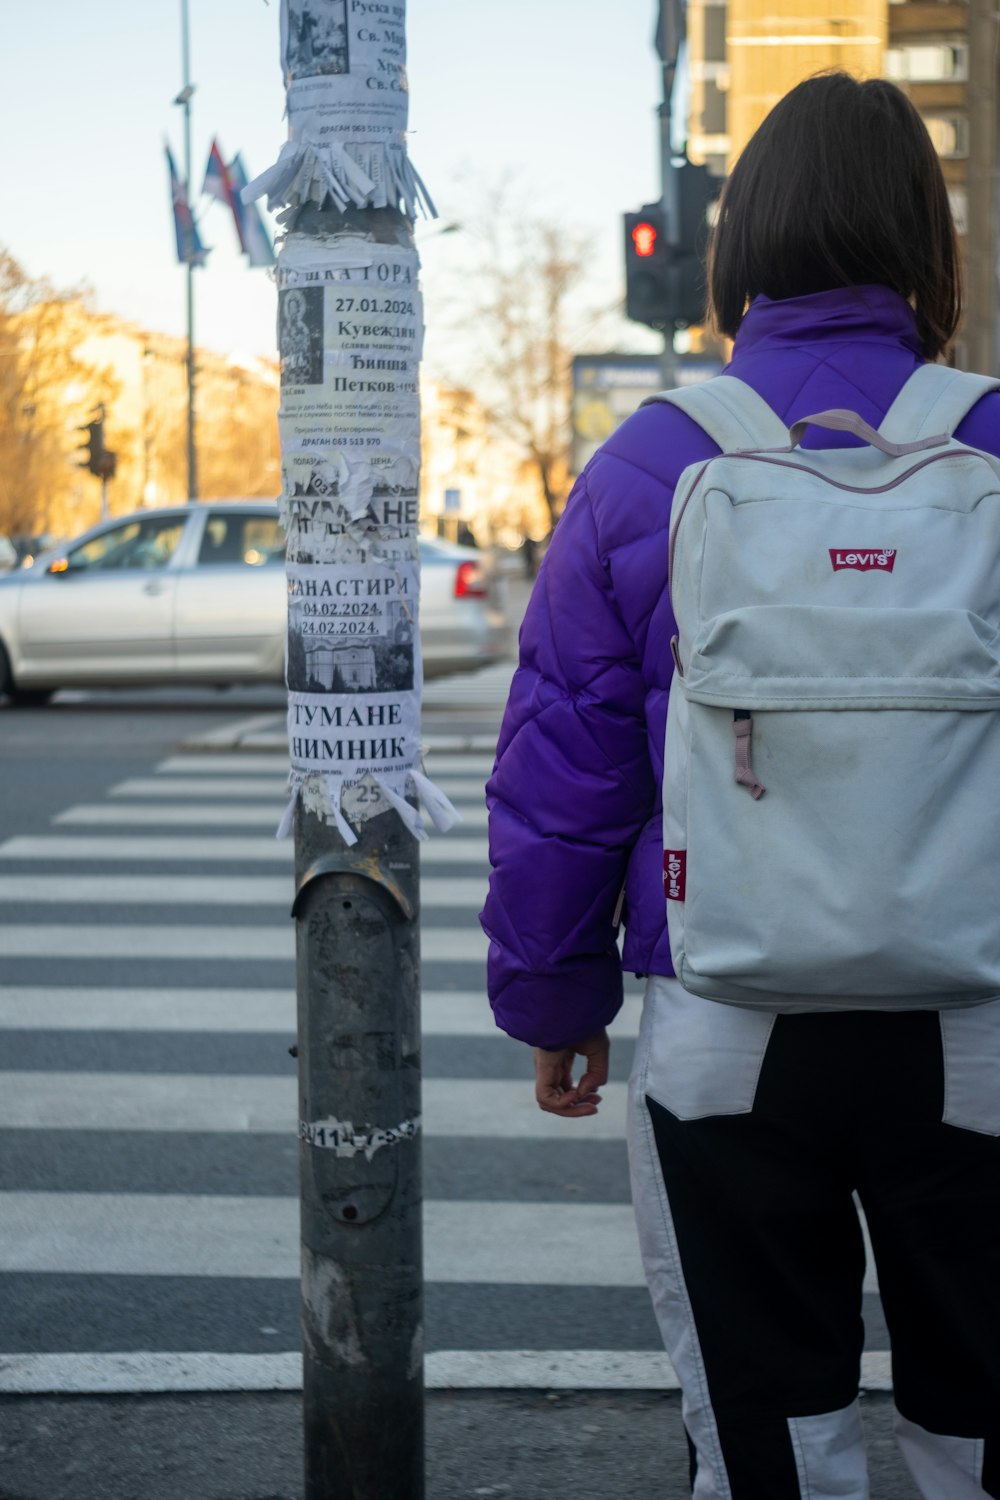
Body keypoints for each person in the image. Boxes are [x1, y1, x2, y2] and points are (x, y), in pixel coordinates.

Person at [481, 73, 1000, 1499]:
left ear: (737, 241)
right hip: (979, 1021)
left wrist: (554, 998)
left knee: (774, 1443)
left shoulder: (654, 463)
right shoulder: (995, 439)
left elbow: (563, 765)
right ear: (927, 245)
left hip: (728, 1024)